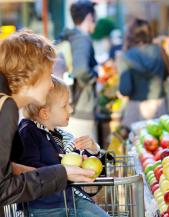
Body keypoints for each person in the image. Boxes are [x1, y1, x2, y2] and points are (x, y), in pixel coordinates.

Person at [0, 30, 95, 207]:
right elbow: (0, 191)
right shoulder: (4, 106)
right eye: (48, 73)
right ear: (31, 74)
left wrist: (54, 173)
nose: (51, 84)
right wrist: (61, 174)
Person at [18, 76, 109, 217]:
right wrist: (62, 171)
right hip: (45, 208)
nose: (71, 109)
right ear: (45, 113)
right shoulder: (28, 133)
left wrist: (93, 150)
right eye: (65, 105)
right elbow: (30, 170)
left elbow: (87, 168)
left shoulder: (62, 135)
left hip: (70, 201)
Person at [58, 0, 98, 140]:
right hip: (82, 109)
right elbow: (81, 71)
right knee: (88, 155)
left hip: (72, 106)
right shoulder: (82, 39)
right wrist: (96, 74)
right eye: (94, 17)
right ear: (89, 17)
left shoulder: (70, 36)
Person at [118, 18, 168, 127]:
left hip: (136, 108)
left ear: (130, 34)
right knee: (162, 140)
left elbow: (125, 89)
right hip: (160, 106)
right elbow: (168, 75)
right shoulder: (160, 50)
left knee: (138, 142)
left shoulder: (126, 56)